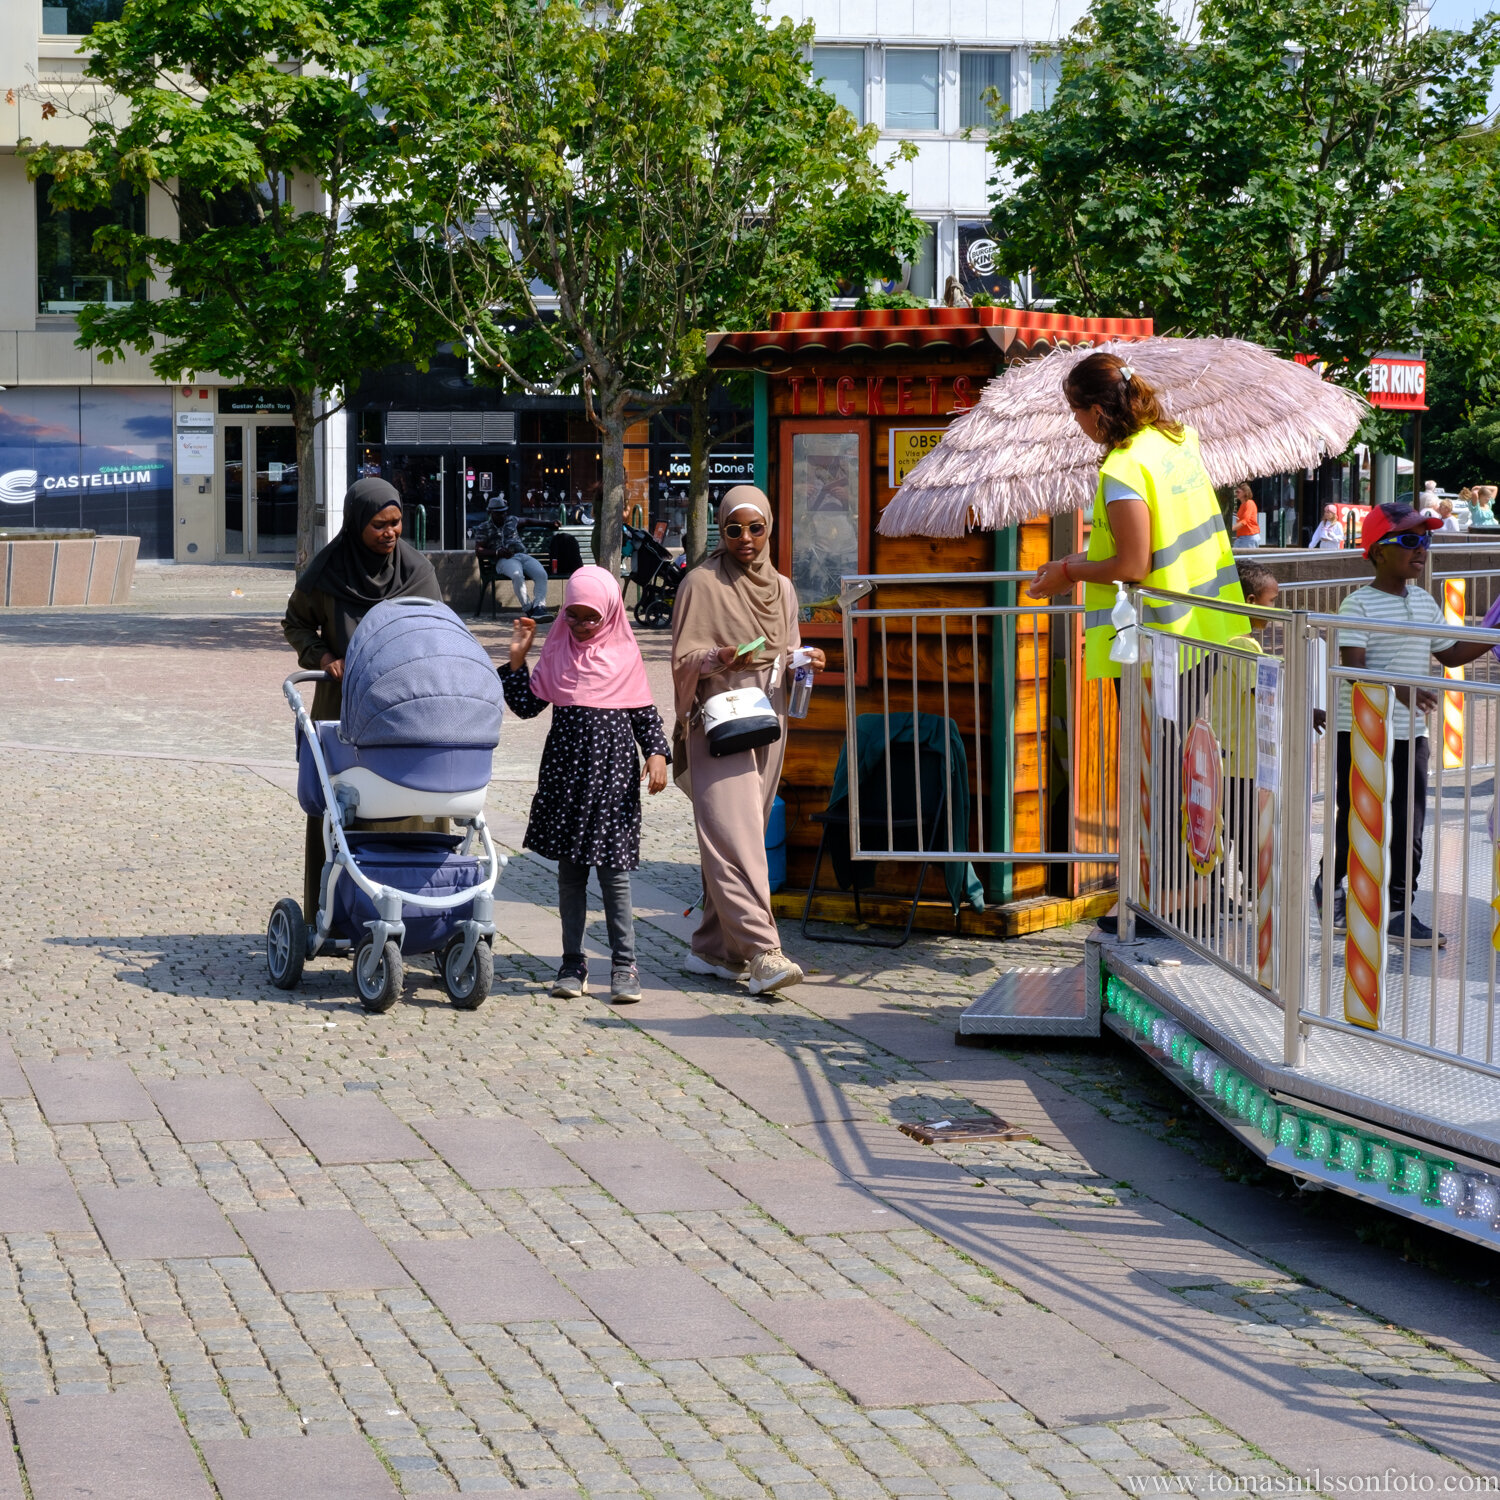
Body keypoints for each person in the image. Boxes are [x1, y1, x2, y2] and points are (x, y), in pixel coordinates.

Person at [670, 487, 825, 997]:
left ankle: (714, 950)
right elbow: (682, 660)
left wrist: (808, 661)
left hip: (767, 724)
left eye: (756, 528)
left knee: (744, 837)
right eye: (734, 529)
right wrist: (719, 657)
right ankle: (763, 952)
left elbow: (788, 654)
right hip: (716, 724)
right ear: (720, 529)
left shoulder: (781, 589)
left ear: (770, 528)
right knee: (733, 840)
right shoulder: (700, 583)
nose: (746, 539)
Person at [1316, 503, 1493, 947]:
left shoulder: (1423, 600)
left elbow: (1449, 653)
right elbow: (1353, 667)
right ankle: (1330, 884)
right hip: (1359, 731)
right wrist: (1401, 689)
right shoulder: (1357, 602)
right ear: (1377, 552)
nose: (1423, 550)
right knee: (1357, 818)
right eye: (1411, 540)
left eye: (1426, 540)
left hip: (1411, 733)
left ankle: (1398, 910)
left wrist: (1492, 633)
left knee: (1409, 823)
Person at [500, 565, 669, 1004]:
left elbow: (644, 715)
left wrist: (656, 754)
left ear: (610, 612)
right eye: (571, 616)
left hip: (612, 785)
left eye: (589, 617)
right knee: (570, 877)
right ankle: (572, 962)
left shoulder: (625, 655)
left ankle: (624, 964)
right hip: (565, 780)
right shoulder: (558, 652)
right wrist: (518, 659)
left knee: (615, 878)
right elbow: (525, 707)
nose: (579, 625)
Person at [1027, 351, 1249, 673]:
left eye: (1076, 411)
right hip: (1205, 625)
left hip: (1160, 641)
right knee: (1188, 727)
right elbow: (1155, 544)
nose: (1076, 421)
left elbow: (1132, 565)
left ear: (1098, 411)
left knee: (1156, 727)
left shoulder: (1125, 467)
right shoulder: (1178, 440)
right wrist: (1066, 565)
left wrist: (1069, 573)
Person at [282, 477, 444, 919]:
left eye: (395, 522)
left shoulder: (416, 572)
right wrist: (323, 655)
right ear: (356, 524)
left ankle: (415, 911)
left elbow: (436, 630)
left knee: (408, 802)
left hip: (405, 709)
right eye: (379, 524)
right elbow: (295, 623)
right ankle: (336, 912)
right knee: (343, 807)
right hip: (344, 708)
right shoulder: (326, 571)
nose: (390, 532)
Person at [475, 498, 551, 619]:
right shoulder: (484, 528)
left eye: (504, 511)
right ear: (490, 513)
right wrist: (497, 552)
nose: (503, 515)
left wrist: (549, 523)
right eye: (499, 512)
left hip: (522, 555)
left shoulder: (511, 520)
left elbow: (527, 521)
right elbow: (478, 550)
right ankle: (529, 608)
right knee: (517, 575)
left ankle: (539, 607)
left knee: (541, 574)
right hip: (504, 560)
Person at [1232, 482, 1261, 549]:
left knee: (1244, 558)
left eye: (1238, 492)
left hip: (1249, 536)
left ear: (1245, 492)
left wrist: (1231, 529)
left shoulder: (1249, 503)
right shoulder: (1243, 505)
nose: (1236, 494)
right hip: (1243, 537)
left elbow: (1245, 520)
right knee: (1238, 557)